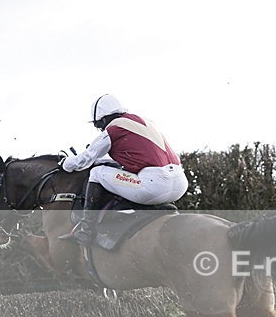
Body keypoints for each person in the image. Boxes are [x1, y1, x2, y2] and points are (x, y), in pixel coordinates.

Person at [60, 94, 188, 245]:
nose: (100, 129)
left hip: (154, 185)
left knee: (96, 173)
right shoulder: (144, 122)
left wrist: (65, 163)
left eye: (98, 125)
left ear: (103, 119)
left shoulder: (113, 129)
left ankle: (87, 230)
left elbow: (85, 159)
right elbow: (135, 157)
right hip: (180, 184)